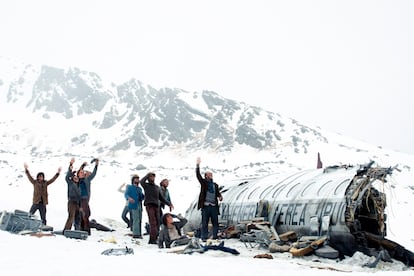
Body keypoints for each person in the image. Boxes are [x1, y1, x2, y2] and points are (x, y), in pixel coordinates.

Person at [140, 172, 174, 244]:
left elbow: (161, 198)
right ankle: (152, 240)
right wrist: (147, 175)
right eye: (150, 177)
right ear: (148, 178)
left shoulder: (156, 187)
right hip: (149, 205)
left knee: (158, 222)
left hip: (157, 206)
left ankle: (156, 238)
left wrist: (169, 204)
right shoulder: (146, 185)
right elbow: (141, 181)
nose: (152, 178)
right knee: (153, 222)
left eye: (153, 177)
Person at [195, 157, 223, 241]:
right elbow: (198, 175)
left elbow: (217, 193)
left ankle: (215, 236)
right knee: (205, 223)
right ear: (206, 176)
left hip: (213, 206)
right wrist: (197, 165)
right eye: (209, 175)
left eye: (211, 175)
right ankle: (204, 237)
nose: (211, 176)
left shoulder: (215, 185)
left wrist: (220, 196)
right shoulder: (204, 183)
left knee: (215, 222)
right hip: (206, 206)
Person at [77, 158, 99, 235]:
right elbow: (79, 171)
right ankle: (84, 229)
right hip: (78, 199)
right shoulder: (76, 180)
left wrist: (96, 165)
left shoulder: (87, 179)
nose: (82, 173)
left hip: (85, 199)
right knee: (83, 214)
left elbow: (94, 174)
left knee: (86, 214)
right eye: (81, 173)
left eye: (83, 173)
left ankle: (85, 229)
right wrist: (82, 166)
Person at [63, 158, 82, 231]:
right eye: (75, 177)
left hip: (77, 203)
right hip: (71, 202)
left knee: (78, 218)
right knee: (71, 216)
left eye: (77, 177)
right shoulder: (70, 183)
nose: (76, 178)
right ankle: (66, 230)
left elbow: (80, 197)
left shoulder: (79, 185)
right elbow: (67, 176)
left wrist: (80, 206)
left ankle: (77, 230)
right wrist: (70, 165)